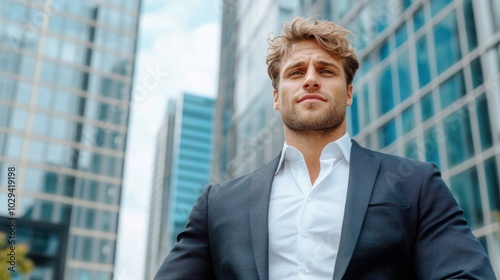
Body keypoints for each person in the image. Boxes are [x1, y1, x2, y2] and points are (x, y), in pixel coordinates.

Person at [154, 17, 495, 279]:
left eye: (327, 70)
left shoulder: (416, 184)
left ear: (348, 92)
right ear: (276, 97)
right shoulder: (218, 204)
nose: (311, 79)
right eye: (296, 72)